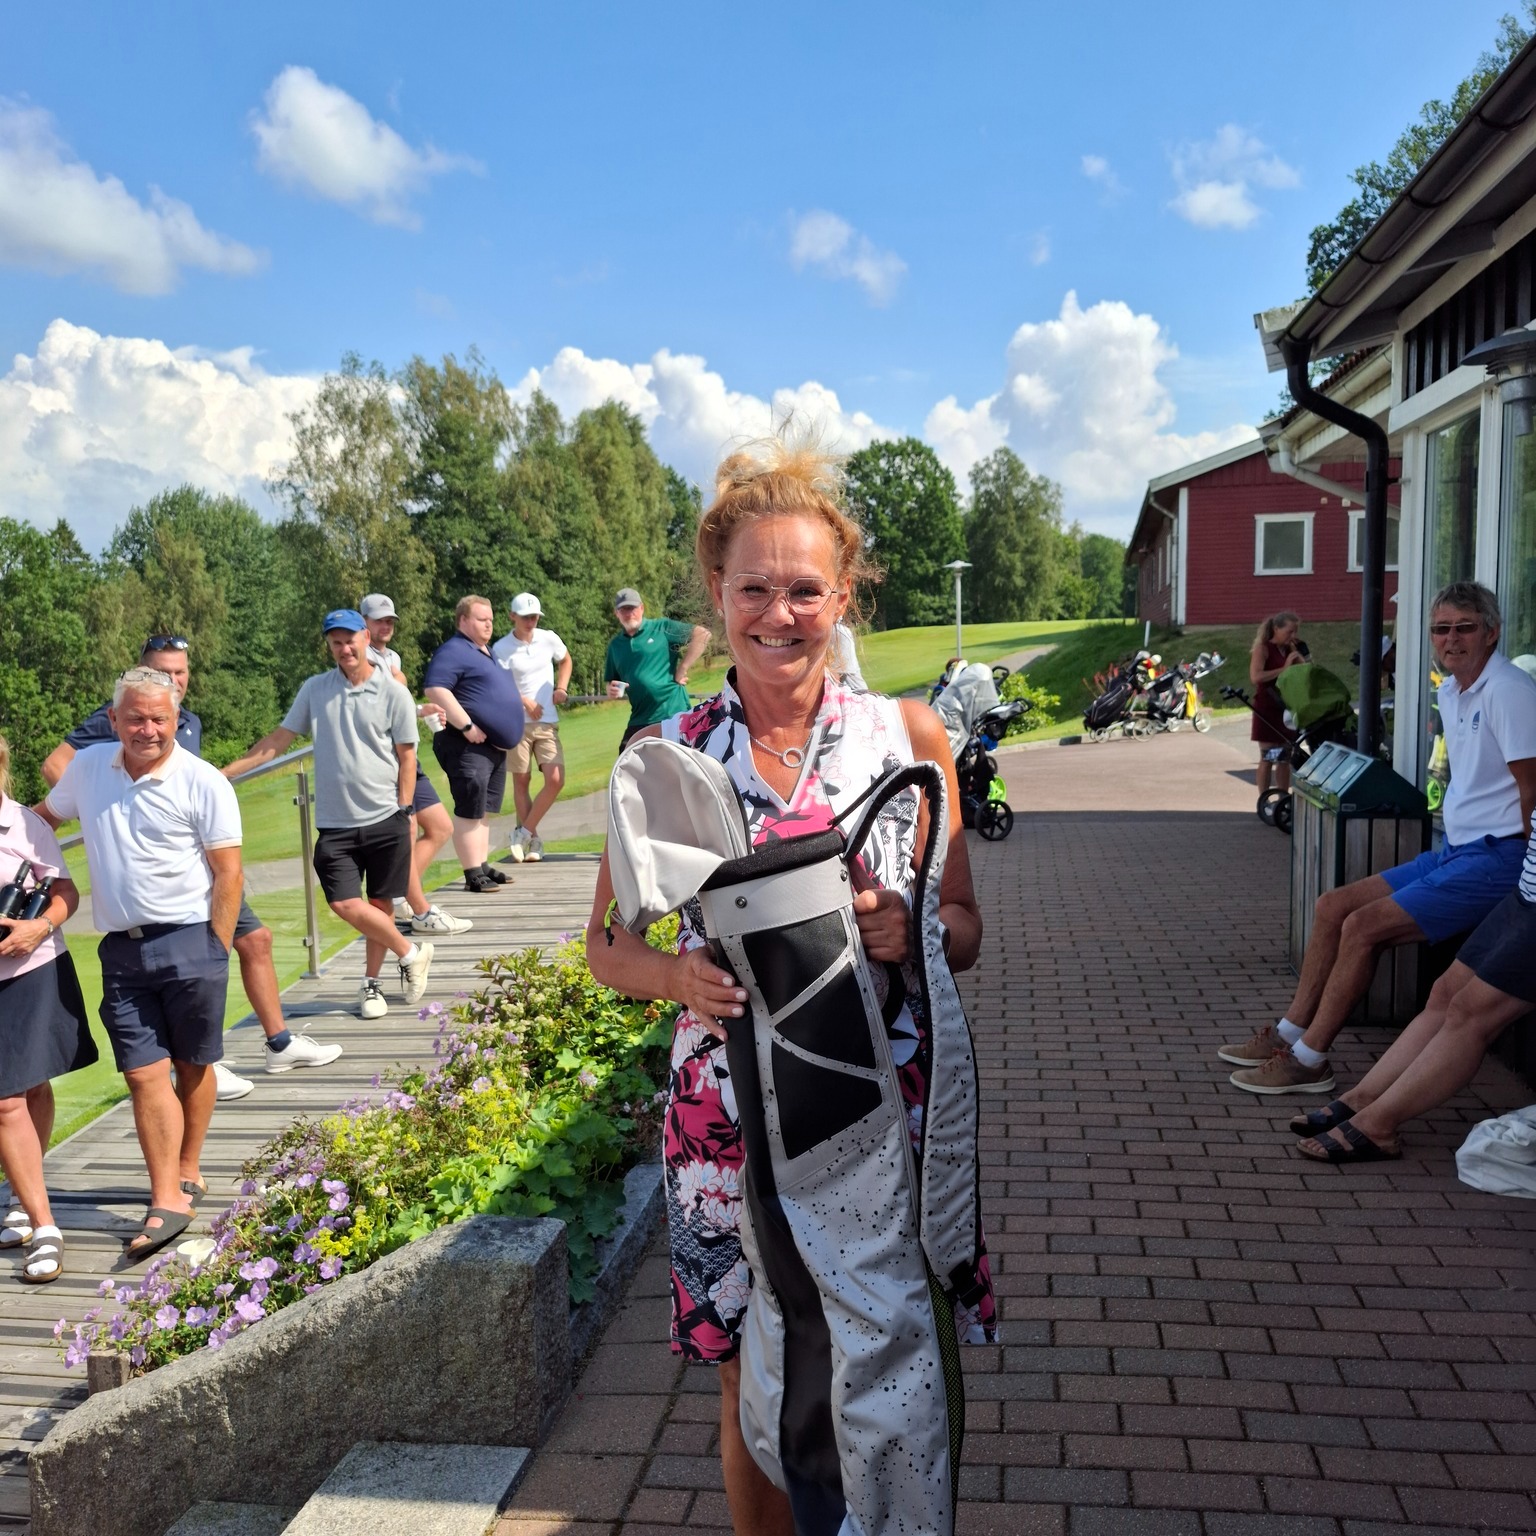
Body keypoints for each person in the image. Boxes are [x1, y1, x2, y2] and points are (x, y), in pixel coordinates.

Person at [584, 441, 993, 1535]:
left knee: (891, 1351)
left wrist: (913, 930)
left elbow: (966, 928)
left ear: (843, 596)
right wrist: (675, 975)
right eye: (754, 588)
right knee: (751, 1377)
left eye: (805, 589)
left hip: (878, 1111)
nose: (780, 613)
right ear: (716, 597)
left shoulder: (906, 737)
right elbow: (607, 948)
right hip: (726, 1121)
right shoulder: (668, 754)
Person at [1223, 582, 1536, 1095]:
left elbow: (1532, 791)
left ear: (1491, 633)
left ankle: (1309, 1060)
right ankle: (1288, 1032)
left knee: (1363, 926)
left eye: (1464, 627)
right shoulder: (1452, 690)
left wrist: (1527, 877)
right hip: (1456, 850)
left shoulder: (1508, 691)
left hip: (1500, 856)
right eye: (1441, 629)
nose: (1451, 639)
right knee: (1332, 907)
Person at [41, 635, 340, 1089]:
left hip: (198, 879)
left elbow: (212, 829)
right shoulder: (115, 724)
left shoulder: (189, 723)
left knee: (252, 941)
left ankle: (270, 1043)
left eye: (180, 672)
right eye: (163, 672)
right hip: (149, 906)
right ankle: (222, 1054)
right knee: (159, 1061)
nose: (173, 680)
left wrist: (213, 952)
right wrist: (106, 807)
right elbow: (55, 768)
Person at [38, 668, 243, 1262]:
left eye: (159, 718)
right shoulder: (87, 768)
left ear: (177, 718)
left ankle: (188, 1167)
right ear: (114, 718)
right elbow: (41, 818)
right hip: (122, 950)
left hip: (191, 941)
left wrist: (216, 949)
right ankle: (167, 1198)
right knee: (142, 1073)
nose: (147, 729)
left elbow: (229, 873)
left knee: (193, 1063)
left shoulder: (204, 781)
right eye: (135, 718)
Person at [225, 611, 436, 1021]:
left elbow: (407, 757)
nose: (344, 649)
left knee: (380, 902)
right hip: (336, 823)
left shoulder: (393, 692)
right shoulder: (315, 689)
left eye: (350, 640)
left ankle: (371, 983)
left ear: (365, 637)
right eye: (335, 642)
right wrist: (226, 774)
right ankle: (411, 952)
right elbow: (278, 740)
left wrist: (406, 808)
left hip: (386, 815)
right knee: (342, 902)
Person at [1291, 820, 1536, 1163]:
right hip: (1526, 890)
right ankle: (1362, 1099)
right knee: (1444, 994)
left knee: (1470, 1013)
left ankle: (1377, 1126)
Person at [0, 734, 98, 1283]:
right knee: (5, 1100)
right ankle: (45, 1225)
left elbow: (65, 893)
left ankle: (22, 1195)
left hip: (31, 967)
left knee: (33, 1085)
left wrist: (38, 926)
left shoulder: (25, 824)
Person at [358, 593, 473, 936]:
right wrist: (399, 685)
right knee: (404, 832)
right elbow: (375, 703)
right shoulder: (360, 658)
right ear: (363, 623)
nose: (386, 625)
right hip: (385, 759)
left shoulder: (391, 656)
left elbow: (396, 705)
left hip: (406, 755)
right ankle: (419, 910)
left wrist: (420, 709)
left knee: (440, 827)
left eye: (390, 620)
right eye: (378, 620)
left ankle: (402, 897)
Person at [423, 596, 526, 893]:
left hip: (491, 747)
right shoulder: (454, 650)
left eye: (491, 619)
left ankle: (481, 864)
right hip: (465, 745)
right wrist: (466, 726)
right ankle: (472, 873)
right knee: (470, 807)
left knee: (483, 808)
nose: (489, 624)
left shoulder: (486, 652)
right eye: (482, 619)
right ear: (463, 620)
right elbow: (435, 689)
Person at [492, 592, 572, 864]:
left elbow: (565, 660)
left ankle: (522, 832)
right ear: (512, 616)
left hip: (546, 721)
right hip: (516, 722)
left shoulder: (548, 638)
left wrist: (562, 687)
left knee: (555, 779)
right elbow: (499, 686)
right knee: (522, 780)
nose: (531, 622)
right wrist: (524, 701)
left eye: (535, 617)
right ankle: (534, 840)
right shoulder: (501, 648)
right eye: (526, 617)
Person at [603, 588, 711, 748]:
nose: (629, 613)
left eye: (632, 608)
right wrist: (611, 690)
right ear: (616, 613)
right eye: (624, 609)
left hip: (672, 713)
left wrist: (683, 668)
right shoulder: (615, 645)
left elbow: (702, 634)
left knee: (677, 761)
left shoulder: (661, 627)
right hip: (640, 718)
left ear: (641, 608)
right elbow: (611, 682)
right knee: (626, 757)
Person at [1249, 611, 1305, 799]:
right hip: (1267, 707)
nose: (1293, 636)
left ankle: (1283, 798)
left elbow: (1305, 672)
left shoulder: (1289, 650)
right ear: (1276, 629)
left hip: (1286, 708)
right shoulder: (1263, 649)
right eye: (1289, 631)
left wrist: (1301, 656)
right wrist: (1284, 668)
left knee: (1285, 757)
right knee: (1268, 756)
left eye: (1295, 631)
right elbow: (1256, 677)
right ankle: (1264, 799)